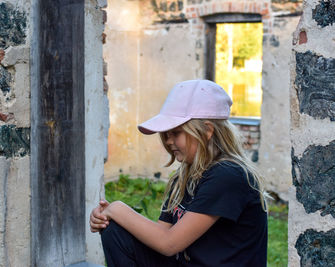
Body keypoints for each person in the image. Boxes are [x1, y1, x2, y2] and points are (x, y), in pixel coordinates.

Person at [90, 80, 268, 267]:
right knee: (115, 230)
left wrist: (117, 208)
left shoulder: (228, 176)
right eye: (167, 134)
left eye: (176, 133)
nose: (168, 141)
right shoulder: (185, 176)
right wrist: (110, 216)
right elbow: (161, 233)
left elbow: (169, 243)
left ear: (207, 131)